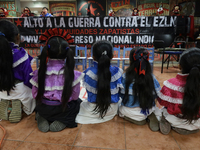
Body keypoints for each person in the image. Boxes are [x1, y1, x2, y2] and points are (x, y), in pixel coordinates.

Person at [31, 28, 84, 132]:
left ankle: (42, 116)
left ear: (47, 51)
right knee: (77, 102)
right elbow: (74, 96)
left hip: (44, 108)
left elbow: (34, 95)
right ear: (67, 52)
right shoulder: (73, 74)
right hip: (62, 108)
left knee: (39, 105)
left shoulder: (38, 72)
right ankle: (63, 120)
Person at [76, 40, 123, 124]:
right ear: (112, 56)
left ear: (93, 57)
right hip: (112, 110)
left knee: (78, 103)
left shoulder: (88, 73)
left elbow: (89, 93)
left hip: (92, 110)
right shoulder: (118, 72)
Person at [157, 48, 200, 135]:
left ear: (180, 66)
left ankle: (166, 120)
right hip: (197, 122)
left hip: (176, 120)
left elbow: (162, 102)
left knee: (160, 110)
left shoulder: (171, 84)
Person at [0, 20, 35, 123]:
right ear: (17, 37)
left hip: (1, 90)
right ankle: (22, 106)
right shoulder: (21, 54)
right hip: (19, 92)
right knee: (32, 94)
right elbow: (28, 79)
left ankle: (5, 100)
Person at [119, 47, 161, 131]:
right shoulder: (151, 78)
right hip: (147, 109)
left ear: (130, 61)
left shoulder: (125, 77)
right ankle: (149, 114)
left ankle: (137, 118)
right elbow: (158, 95)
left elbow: (120, 95)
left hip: (129, 111)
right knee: (153, 106)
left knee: (119, 106)